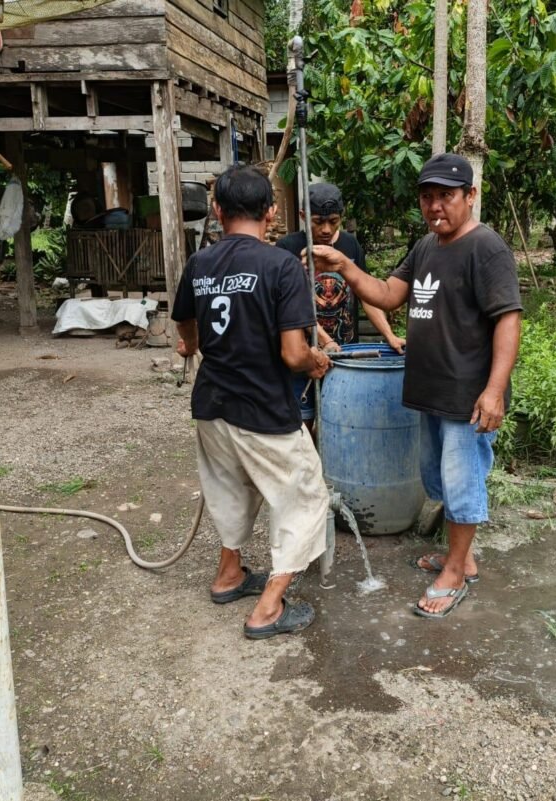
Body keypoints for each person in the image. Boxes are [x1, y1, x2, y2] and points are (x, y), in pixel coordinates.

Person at [311, 153, 522, 619]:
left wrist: (494, 391)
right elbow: (388, 294)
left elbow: (508, 319)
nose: (435, 206)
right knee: (437, 478)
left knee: (462, 481)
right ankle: (460, 557)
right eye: (427, 197)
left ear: (470, 196)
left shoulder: (487, 248)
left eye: (446, 196)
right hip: (430, 390)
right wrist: (345, 265)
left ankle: (454, 575)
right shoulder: (427, 247)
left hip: (467, 395)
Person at [172, 163, 332, 640]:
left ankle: (229, 575)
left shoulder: (199, 264)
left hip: (212, 405)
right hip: (262, 407)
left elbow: (185, 328)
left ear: (218, 211)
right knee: (305, 495)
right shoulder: (280, 266)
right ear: (271, 211)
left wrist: (192, 344)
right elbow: (292, 352)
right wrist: (314, 361)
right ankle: (268, 608)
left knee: (232, 489)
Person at [277, 183, 406, 355]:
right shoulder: (287, 248)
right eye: (318, 222)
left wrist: (390, 335)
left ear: (341, 216)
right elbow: (294, 306)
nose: (326, 230)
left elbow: (365, 296)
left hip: (347, 352)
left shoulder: (350, 245)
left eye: (333, 221)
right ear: (303, 216)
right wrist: (326, 341)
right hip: (307, 357)